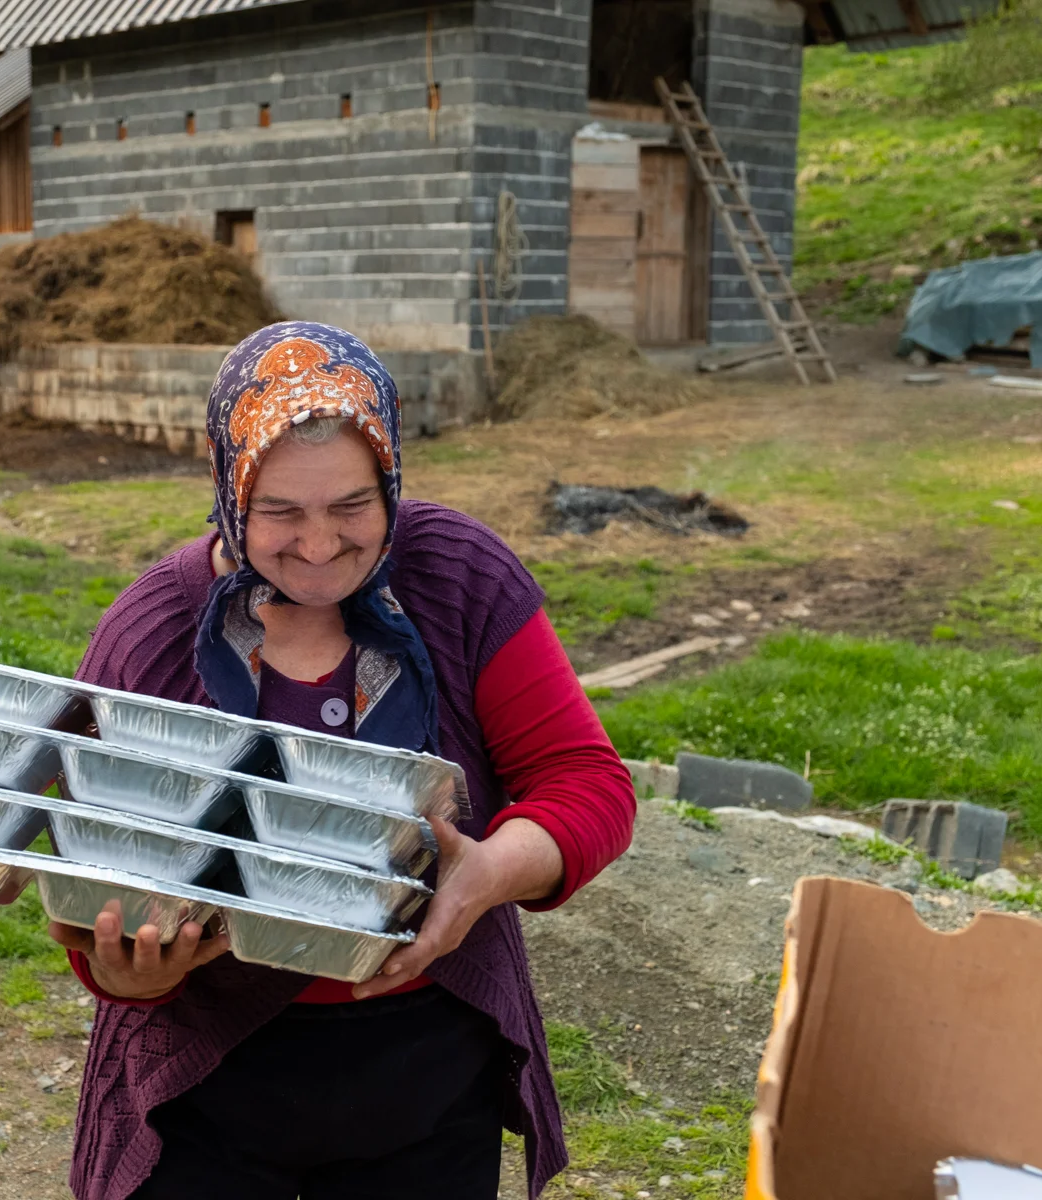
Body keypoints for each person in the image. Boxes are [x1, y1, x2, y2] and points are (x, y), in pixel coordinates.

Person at [50, 321, 638, 1200]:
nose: (319, 546)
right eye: (280, 512)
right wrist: (132, 973)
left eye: (352, 507)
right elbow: (86, 870)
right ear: (229, 487)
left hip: (429, 1067)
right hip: (206, 1077)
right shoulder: (152, 635)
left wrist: (486, 874)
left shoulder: (459, 579)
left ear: (392, 479)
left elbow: (587, 782)